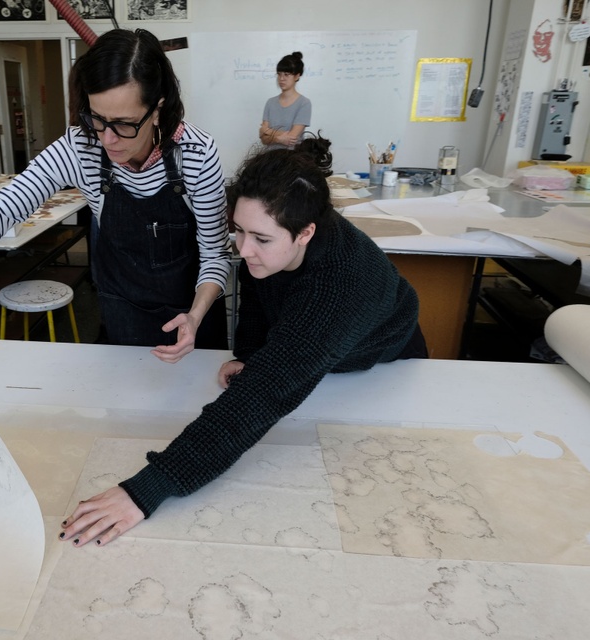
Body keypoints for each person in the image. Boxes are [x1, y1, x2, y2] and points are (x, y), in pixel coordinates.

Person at [59, 148, 426, 547]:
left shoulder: (340, 286)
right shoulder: (275, 242)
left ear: (306, 232)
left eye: (260, 238)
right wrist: (248, 355)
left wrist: (147, 489)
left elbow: (262, 397)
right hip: (327, 357)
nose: (243, 248)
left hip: (387, 368)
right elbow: (257, 289)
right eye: (239, 230)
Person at [0, 28, 230, 359]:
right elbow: (3, 207)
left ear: (157, 109)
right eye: (97, 118)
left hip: (194, 308)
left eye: (124, 124)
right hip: (124, 306)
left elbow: (215, 255)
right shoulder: (81, 146)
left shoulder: (196, 154)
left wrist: (196, 315)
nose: (107, 139)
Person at [258, 51, 311, 150]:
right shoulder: (270, 102)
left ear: (297, 76)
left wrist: (268, 131)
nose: (281, 79)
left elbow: (291, 138)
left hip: (292, 160)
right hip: (269, 159)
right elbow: (263, 139)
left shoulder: (304, 103)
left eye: (286, 74)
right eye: (279, 74)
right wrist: (279, 138)